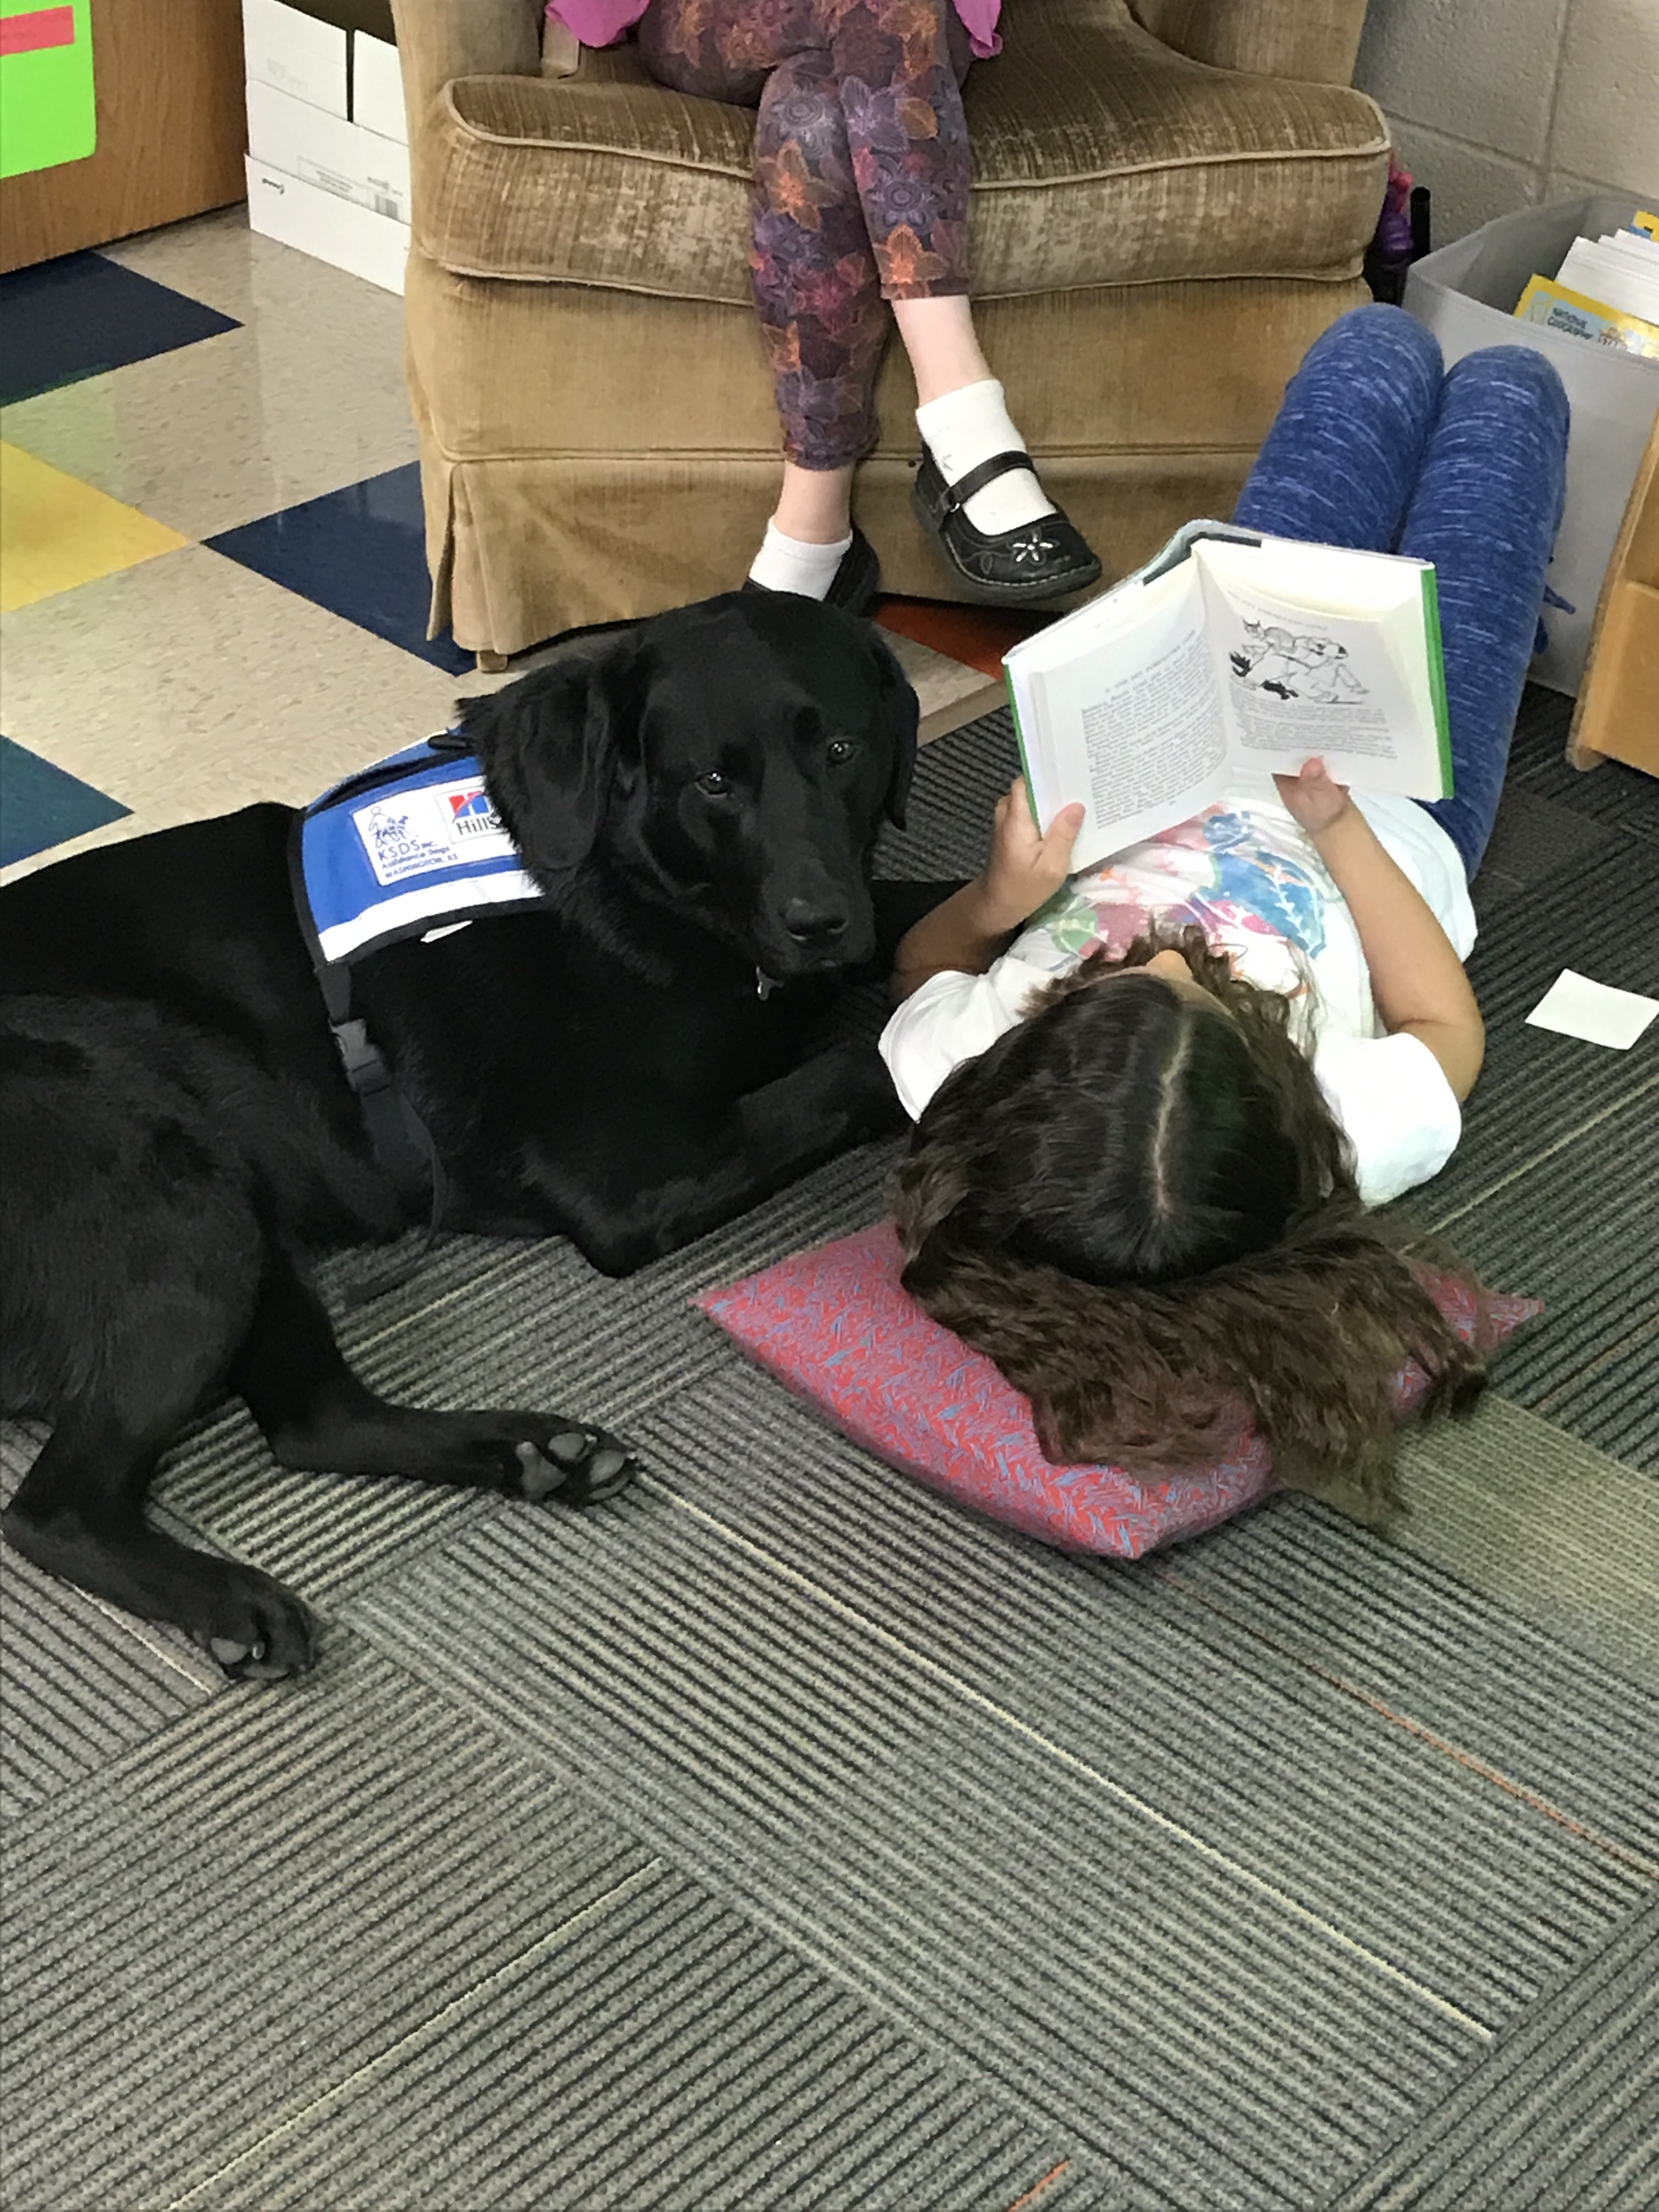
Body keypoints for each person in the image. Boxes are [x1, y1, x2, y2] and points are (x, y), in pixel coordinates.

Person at [877, 305, 1570, 1509]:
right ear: (1269, 1083)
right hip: (1395, 795)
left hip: (1199, 707)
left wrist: (1000, 901)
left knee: (1375, 348)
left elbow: (914, 972)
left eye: (1120, 967)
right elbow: (1444, 1030)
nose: (1162, 944)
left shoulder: (977, 1093)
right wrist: (1341, 831)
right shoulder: (1331, 1134)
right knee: (1513, 393)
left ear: (1037, 1051)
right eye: (1201, 979)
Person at [542, 0, 1101, 610]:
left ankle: (813, 528)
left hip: (904, 29)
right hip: (709, 16)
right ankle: (963, 416)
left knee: (810, 118)